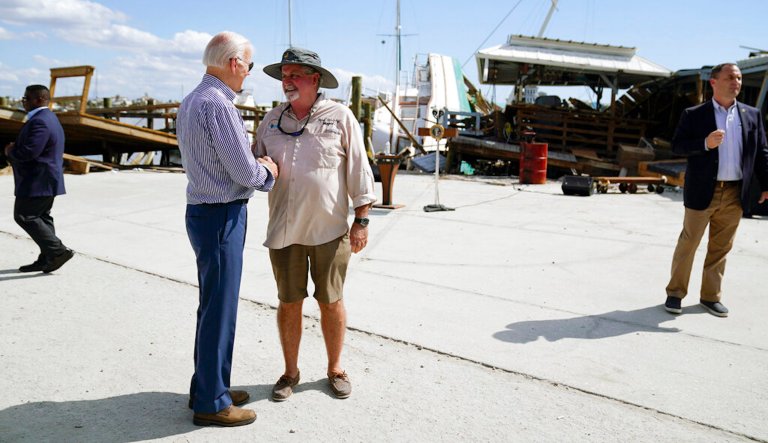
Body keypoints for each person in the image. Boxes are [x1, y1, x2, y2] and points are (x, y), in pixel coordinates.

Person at [254, 47, 376, 401]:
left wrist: (362, 221)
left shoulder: (340, 117)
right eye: (284, 76)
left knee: (331, 301)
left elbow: (359, 172)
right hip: (284, 231)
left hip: (330, 231)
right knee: (288, 302)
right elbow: (250, 163)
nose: (287, 82)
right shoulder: (271, 120)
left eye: (294, 75)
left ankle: (335, 369)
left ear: (315, 79)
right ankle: (290, 372)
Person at [176, 31, 278, 427]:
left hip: (203, 212)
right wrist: (268, 170)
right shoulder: (219, 105)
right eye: (249, 65)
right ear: (235, 63)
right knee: (220, 309)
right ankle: (212, 401)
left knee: (212, 305)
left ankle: (208, 384)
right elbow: (245, 172)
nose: (249, 73)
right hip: (221, 215)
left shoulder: (192, 99)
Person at [664, 63, 768, 317]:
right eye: (730, 77)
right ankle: (675, 294)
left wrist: (766, 184)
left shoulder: (751, 115)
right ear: (713, 82)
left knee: (721, 248)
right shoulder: (694, 114)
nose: (737, 82)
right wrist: (705, 143)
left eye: (739, 78)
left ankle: (710, 297)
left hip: (735, 192)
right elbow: (677, 146)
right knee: (688, 244)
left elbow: (762, 152)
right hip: (703, 189)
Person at [4, 85, 74, 273]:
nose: (23, 101)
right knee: (42, 217)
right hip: (45, 179)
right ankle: (48, 258)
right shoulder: (47, 118)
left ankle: (58, 251)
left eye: (26, 98)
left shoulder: (40, 121)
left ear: (40, 99)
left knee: (25, 216)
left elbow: (30, 152)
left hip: (38, 180)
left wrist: (10, 151)